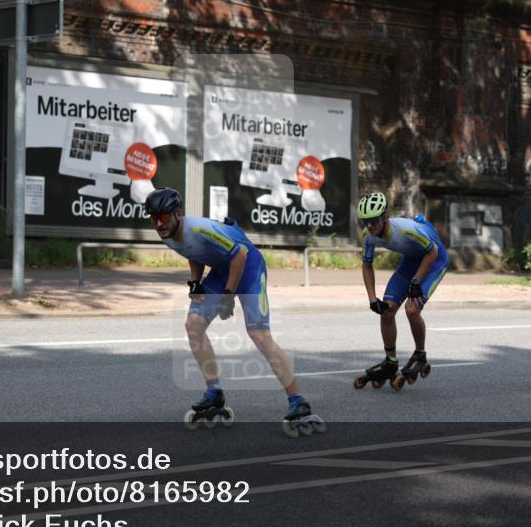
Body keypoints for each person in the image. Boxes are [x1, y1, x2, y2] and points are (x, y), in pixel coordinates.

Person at [143, 187, 324, 437]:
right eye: (153, 219)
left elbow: (239, 255)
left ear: (178, 214)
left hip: (247, 265)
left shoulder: (198, 228)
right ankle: (214, 393)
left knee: (259, 334)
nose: (158, 224)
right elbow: (193, 252)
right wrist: (195, 283)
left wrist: (228, 297)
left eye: (163, 217)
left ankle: (298, 401)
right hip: (221, 269)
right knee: (193, 325)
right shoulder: (169, 234)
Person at [353, 192, 448, 390]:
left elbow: (433, 252)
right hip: (411, 261)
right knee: (386, 310)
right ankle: (390, 361)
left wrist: (416, 281)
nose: (369, 226)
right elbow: (366, 265)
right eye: (365, 222)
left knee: (412, 309)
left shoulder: (405, 229)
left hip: (434, 260)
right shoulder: (368, 236)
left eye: (373, 221)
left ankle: (420, 355)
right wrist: (372, 299)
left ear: (385, 217)